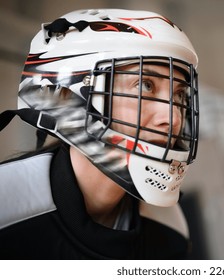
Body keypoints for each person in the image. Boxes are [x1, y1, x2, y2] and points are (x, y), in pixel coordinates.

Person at [0, 8, 199, 259]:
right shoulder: (6, 204)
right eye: (145, 85)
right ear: (66, 92)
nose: (172, 118)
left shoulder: (171, 228)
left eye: (179, 95)